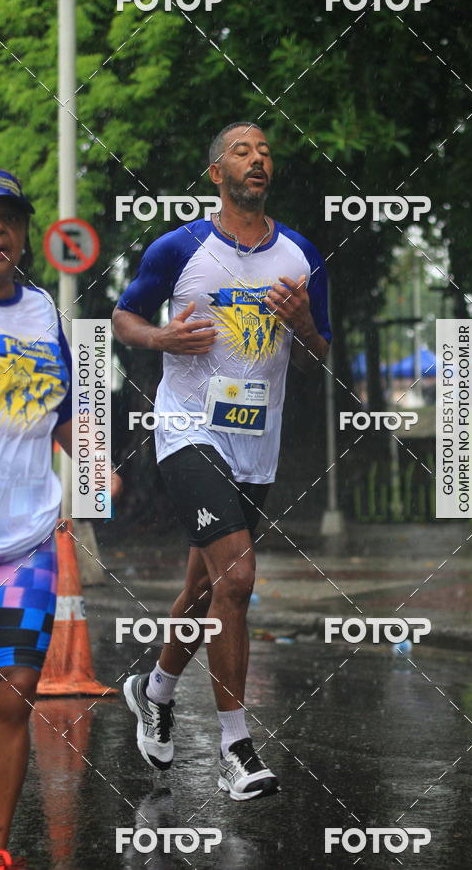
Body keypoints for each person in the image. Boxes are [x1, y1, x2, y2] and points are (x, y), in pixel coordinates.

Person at [113, 122, 331, 800]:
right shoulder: (180, 247)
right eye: (242, 150)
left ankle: (154, 690)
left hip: (253, 445)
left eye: (264, 150)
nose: (257, 158)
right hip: (186, 430)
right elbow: (123, 318)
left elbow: (321, 353)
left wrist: (300, 325)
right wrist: (163, 336)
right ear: (216, 173)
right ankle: (237, 748)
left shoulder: (300, 253)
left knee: (208, 589)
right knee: (237, 578)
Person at [0, 167, 120, 869]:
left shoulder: (40, 312)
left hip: (21, 537)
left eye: (8, 219)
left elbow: (64, 412)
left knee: (10, 695)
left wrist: (93, 461)